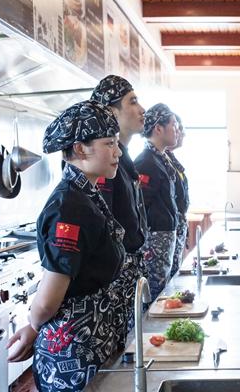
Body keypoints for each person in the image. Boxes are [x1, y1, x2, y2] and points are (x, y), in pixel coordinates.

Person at [7, 100, 126, 391]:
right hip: (71, 356)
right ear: (79, 149)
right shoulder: (69, 206)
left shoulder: (87, 195)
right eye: (109, 143)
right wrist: (34, 327)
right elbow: (48, 300)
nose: (118, 152)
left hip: (91, 346)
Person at [90, 75, 147, 345]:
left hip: (128, 272)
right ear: (112, 111)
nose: (142, 109)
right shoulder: (103, 164)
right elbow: (104, 224)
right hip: (114, 278)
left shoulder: (122, 158)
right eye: (133, 102)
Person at [134, 103, 178, 299]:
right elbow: (140, 205)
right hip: (155, 240)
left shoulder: (160, 158)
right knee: (154, 295)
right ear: (158, 129)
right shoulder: (146, 161)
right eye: (174, 125)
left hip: (165, 237)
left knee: (162, 290)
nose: (177, 130)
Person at [166, 114, 189, 276]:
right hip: (163, 231)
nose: (181, 133)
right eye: (178, 128)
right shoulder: (152, 160)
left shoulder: (170, 159)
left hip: (177, 225)